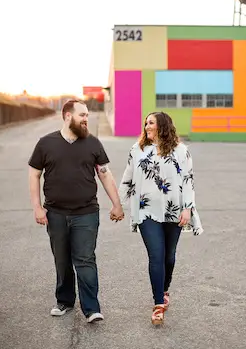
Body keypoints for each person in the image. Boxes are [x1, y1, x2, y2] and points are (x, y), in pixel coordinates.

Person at [28, 99, 125, 324]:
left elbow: (104, 173)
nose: (86, 119)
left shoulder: (92, 143)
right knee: (62, 260)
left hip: (86, 212)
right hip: (55, 213)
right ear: (68, 116)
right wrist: (37, 207)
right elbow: (34, 174)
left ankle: (91, 308)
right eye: (82, 115)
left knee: (85, 259)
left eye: (87, 115)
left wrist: (117, 204)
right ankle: (64, 301)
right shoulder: (45, 143)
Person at [118, 111, 203, 325]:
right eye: (146, 123)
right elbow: (127, 179)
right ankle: (158, 304)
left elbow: (188, 181)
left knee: (169, 256)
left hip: (174, 211)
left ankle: (164, 290)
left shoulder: (181, 151)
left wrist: (187, 209)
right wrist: (119, 204)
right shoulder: (137, 150)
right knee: (156, 255)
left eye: (151, 123)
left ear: (163, 126)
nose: (147, 127)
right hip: (147, 211)